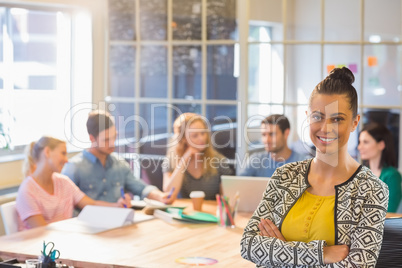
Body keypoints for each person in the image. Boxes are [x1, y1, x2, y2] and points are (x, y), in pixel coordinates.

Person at [241, 67, 389, 267]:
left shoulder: (372, 190)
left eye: (337, 119)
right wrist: (323, 253)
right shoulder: (284, 176)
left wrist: (280, 253)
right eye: (318, 117)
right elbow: (248, 245)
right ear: (307, 116)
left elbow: (357, 265)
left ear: (355, 122)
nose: (325, 128)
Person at [16, 136, 130, 230]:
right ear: (47, 152)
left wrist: (117, 206)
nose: (67, 160)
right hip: (41, 252)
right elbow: (42, 232)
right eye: (63, 153)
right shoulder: (27, 190)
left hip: (64, 244)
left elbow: (90, 204)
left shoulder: (63, 182)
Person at [62, 110, 172, 205]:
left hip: (118, 222)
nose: (112, 144)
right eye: (106, 140)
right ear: (92, 138)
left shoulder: (119, 164)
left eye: (114, 137)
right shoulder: (74, 167)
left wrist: (160, 196)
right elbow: (66, 204)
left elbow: (141, 188)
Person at [162, 113, 233, 200]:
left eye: (203, 133)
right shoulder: (171, 160)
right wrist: (184, 159)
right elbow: (168, 192)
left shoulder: (218, 160)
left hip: (210, 212)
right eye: (195, 135)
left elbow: (227, 198)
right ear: (183, 139)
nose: (201, 138)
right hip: (183, 212)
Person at [238, 114, 307, 177]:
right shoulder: (256, 161)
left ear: (286, 133)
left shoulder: (303, 162)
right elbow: (238, 185)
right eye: (264, 135)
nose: (266, 140)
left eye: (272, 134)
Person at [358, 122, 402, 212]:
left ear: (381, 145)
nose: (359, 147)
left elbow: (389, 212)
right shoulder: (361, 174)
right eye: (360, 142)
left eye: (365, 142)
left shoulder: (392, 176)